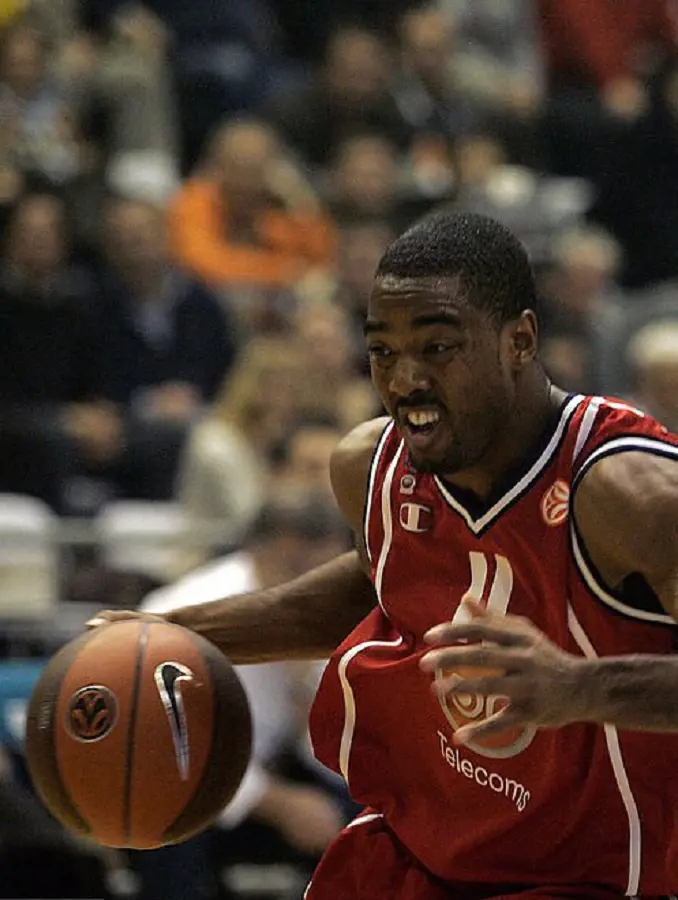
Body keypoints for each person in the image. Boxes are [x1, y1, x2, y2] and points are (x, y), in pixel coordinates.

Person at [90, 211, 678, 899]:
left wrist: (575, 689)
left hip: (592, 877)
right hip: (416, 857)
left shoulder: (626, 491)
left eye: (437, 348)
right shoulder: (374, 465)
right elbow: (377, 583)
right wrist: (178, 637)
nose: (405, 380)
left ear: (520, 339)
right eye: (383, 352)